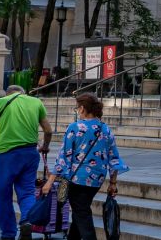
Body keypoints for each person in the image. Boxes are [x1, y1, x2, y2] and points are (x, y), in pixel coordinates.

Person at [40, 94, 128, 240]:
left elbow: (64, 157)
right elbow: (114, 158)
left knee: (82, 213)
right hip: (97, 179)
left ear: (82, 108)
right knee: (80, 210)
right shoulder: (105, 129)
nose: (77, 111)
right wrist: (113, 183)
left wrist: (50, 181)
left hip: (78, 179)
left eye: (77, 108)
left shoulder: (75, 127)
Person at [0, 85, 52, 240]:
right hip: (30, 153)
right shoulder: (35, 102)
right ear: (23, 93)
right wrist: (45, 146)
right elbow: (48, 130)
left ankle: (7, 234)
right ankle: (26, 221)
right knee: (27, 192)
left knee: (4, 196)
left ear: (8, 94)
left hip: (6, 155)